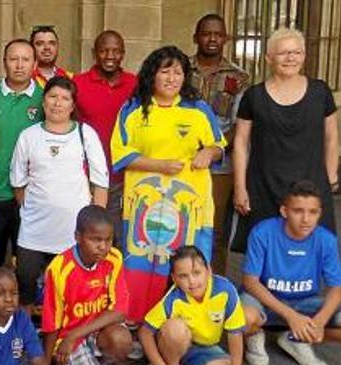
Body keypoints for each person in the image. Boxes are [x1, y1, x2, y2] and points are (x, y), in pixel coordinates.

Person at [111, 45, 226, 326]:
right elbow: (120, 154)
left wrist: (208, 152)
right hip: (144, 206)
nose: (172, 78)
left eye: (178, 72)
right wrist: (159, 166)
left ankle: (184, 325)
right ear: (152, 74)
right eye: (166, 71)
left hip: (189, 207)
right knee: (141, 265)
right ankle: (138, 322)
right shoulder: (134, 109)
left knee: (186, 264)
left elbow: (219, 145)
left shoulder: (198, 110)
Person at [230, 27, 338, 253]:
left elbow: (331, 137)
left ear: (304, 56)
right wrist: (240, 187)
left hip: (311, 188)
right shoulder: (253, 96)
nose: (291, 58)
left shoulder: (321, 92)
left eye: (297, 52)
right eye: (283, 53)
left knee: (310, 254)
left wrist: (328, 178)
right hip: (264, 188)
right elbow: (240, 143)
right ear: (269, 58)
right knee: (266, 253)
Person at [11, 76, 109, 315]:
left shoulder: (86, 135)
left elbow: (100, 182)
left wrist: (95, 226)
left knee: (70, 293)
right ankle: (24, 339)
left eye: (65, 98)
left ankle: (67, 341)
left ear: (73, 105)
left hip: (73, 233)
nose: (58, 103)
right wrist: (34, 209)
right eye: (53, 97)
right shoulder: (29, 135)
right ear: (43, 102)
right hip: (34, 231)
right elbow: (18, 181)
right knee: (25, 287)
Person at [241, 181, 341, 365]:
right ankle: (254, 335)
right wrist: (291, 317)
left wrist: (320, 321)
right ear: (284, 211)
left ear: (320, 213)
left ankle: (297, 338)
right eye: (298, 211)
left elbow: (336, 288)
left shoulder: (326, 239)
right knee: (245, 317)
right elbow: (250, 282)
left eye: (313, 212)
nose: (306, 219)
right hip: (265, 302)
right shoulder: (263, 232)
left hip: (304, 304)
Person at [41, 206, 130, 365]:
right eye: (96, 240)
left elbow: (120, 311)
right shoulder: (60, 269)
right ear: (78, 237)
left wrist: (76, 334)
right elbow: (52, 323)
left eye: (108, 240)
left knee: (121, 340)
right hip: (69, 342)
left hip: (91, 331)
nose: (103, 247)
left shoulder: (114, 259)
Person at [140, 246, 255, 365]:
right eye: (183, 276)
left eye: (196, 273)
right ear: (174, 278)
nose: (192, 281)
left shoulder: (225, 290)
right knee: (175, 329)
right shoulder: (174, 298)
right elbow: (145, 332)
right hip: (173, 347)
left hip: (205, 349)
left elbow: (235, 332)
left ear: (208, 270)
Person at [189, 14, 250, 273]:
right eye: (206, 34)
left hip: (220, 167)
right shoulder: (180, 68)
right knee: (182, 226)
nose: (212, 39)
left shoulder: (239, 77)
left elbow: (240, 125)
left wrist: (213, 150)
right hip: (183, 161)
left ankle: (215, 288)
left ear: (225, 38)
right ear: (196, 37)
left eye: (218, 34)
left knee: (213, 232)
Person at [0, 39, 44, 269]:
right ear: (4, 62)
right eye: (13, 59)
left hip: (30, 196)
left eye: (26, 59)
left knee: (28, 265)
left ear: (34, 63)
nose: (19, 65)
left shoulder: (45, 98)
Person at [73, 30, 138, 246]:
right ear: (94, 53)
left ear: (123, 54)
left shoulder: (136, 85)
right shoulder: (78, 83)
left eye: (116, 51)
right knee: (87, 237)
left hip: (125, 175)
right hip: (87, 176)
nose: (110, 56)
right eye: (104, 50)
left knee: (119, 240)